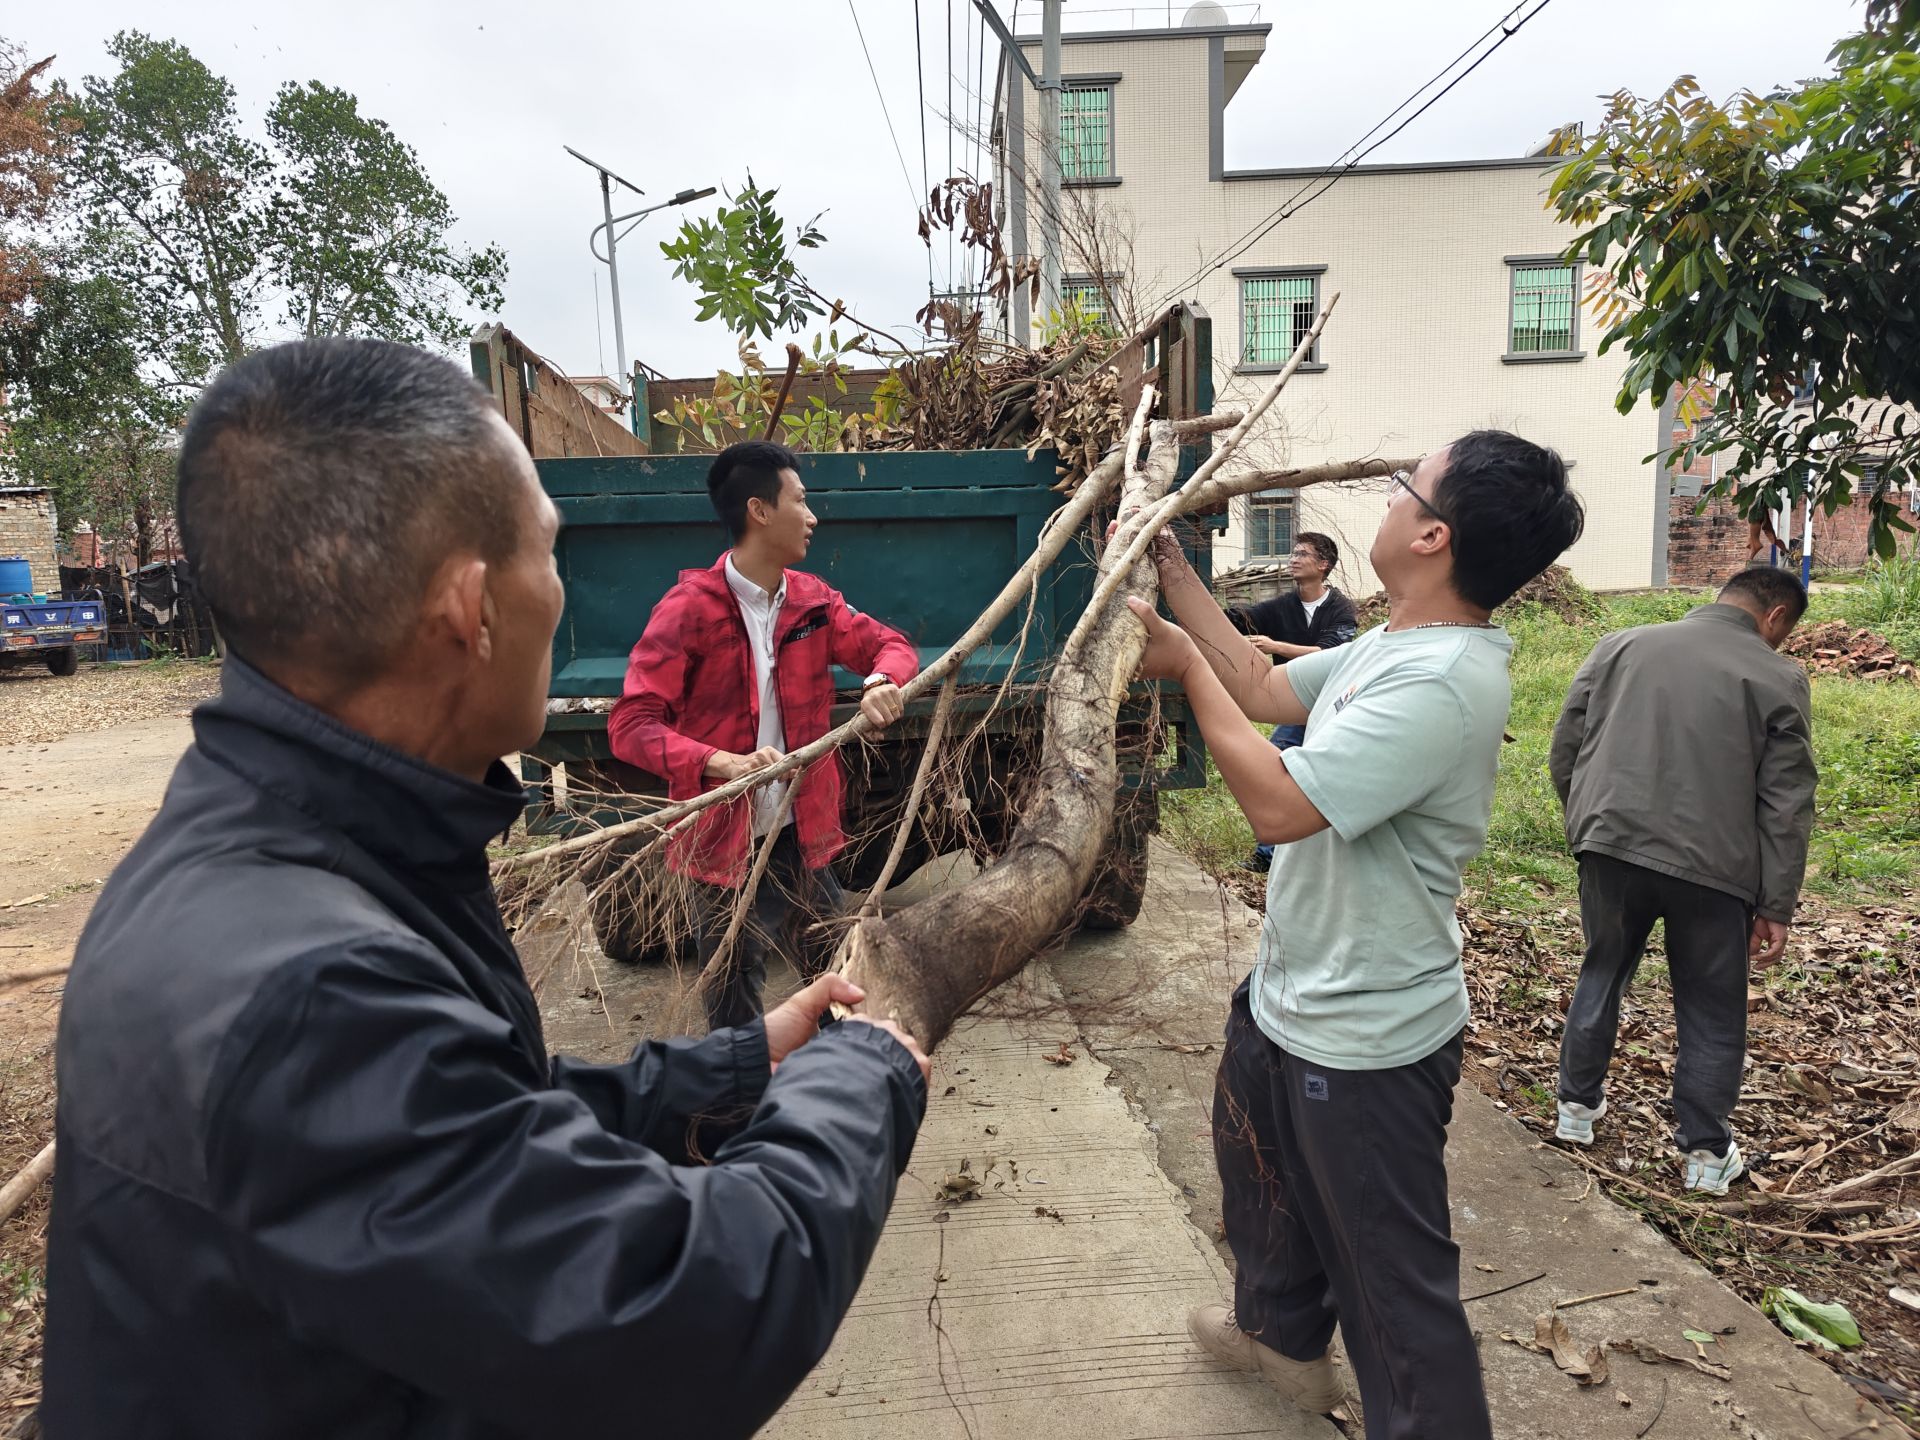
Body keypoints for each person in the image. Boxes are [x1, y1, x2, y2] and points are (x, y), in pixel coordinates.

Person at [43, 340, 931, 1440]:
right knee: (731, 967)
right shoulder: (317, 996)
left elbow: (481, 1121)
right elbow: (681, 1319)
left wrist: (751, 1058)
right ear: (475, 608)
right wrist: (865, 1074)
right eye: (548, 552)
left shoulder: (287, 857)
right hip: (717, 837)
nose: (561, 590)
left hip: (798, 826)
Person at [1129, 432, 1585, 1438]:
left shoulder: (1441, 683)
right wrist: (1170, 569)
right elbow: (1257, 683)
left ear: (1431, 533)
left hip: (1369, 1034)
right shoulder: (1392, 646)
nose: (1382, 501)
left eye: (1401, 488)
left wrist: (1179, 671)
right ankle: (1282, 1341)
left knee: (1392, 1285)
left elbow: (1281, 808)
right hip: (1296, 990)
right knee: (1258, 1177)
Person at [608, 439, 921, 1031]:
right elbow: (630, 725)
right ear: (759, 511)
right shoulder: (687, 611)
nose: (812, 516)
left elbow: (890, 645)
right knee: (731, 991)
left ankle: (845, 1089)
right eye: (800, 501)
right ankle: (740, 1105)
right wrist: (716, 762)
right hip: (720, 839)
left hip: (801, 831)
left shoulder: (812, 602)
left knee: (837, 982)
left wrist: (883, 681)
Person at [1548, 566, 1815, 1195]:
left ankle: (1576, 1111)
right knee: (1711, 1003)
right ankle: (1704, 1152)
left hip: (1610, 846)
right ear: (1775, 617)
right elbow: (1786, 801)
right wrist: (1776, 903)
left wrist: (1589, 826)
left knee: (1603, 968)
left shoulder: (1621, 644)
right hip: (1714, 869)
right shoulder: (1777, 675)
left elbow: (1568, 745)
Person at [1226, 531, 1360, 871]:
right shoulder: (1282, 606)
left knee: (1330, 778)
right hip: (1295, 706)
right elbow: (1237, 619)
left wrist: (1277, 647)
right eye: (1294, 553)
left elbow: (1333, 654)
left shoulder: (1340, 609)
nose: (1294, 558)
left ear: (1323, 565)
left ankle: (1328, 856)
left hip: (1334, 707)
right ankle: (1268, 855)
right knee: (1279, 766)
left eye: (1303, 554)